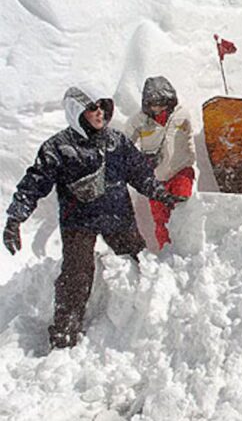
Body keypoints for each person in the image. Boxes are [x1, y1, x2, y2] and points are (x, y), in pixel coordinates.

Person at [3, 87, 186, 349]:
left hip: (117, 218)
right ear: (76, 112)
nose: (99, 113)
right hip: (78, 224)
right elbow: (33, 184)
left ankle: (149, 322)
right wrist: (15, 219)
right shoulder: (58, 148)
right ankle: (65, 334)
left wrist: (161, 194)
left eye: (102, 107)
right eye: (92, 108)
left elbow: (140, 173)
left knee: (140, 264)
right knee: (76, 275)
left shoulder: (117, 142)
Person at [125, 76, 196, 249]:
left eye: (162, 103)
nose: (158, 108)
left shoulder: (182, 115)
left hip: (181, 171)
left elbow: (189, 140)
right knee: (161, 219)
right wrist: (140, 163)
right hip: (155, 178)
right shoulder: (138, 121)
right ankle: (167, 250)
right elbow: (125, 147)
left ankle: (185, 249)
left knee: (182, 208)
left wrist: (190, 161)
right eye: (153, 104)